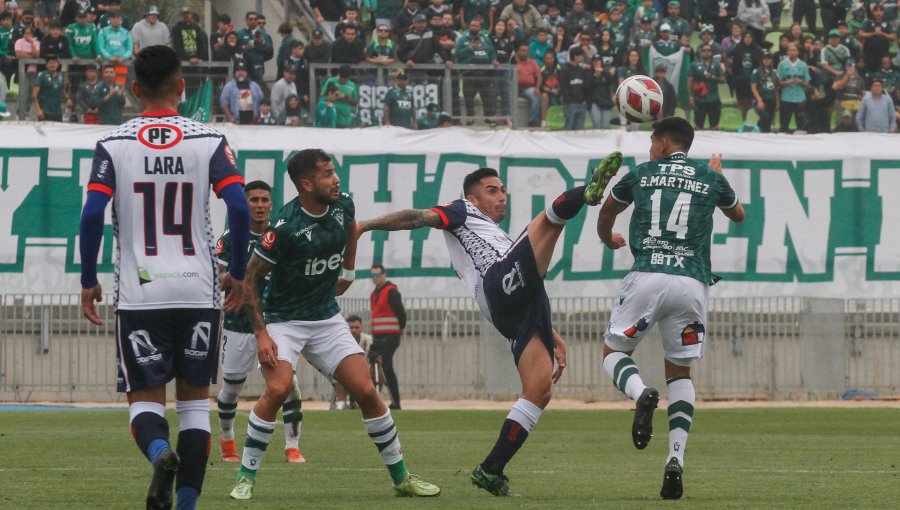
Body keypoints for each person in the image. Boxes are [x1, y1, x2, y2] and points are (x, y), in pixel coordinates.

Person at [358, 150, 625, 497]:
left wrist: (552, 332)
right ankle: (587, 190)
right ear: (473, 197)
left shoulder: (496, 233)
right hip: (496, 282)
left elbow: (525, 279)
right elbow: (415, 217)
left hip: (519, 307)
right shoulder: (461, 210)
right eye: (492, 190)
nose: (501, 197)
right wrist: (365, 225)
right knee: (545, 223)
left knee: (539, 390)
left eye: (502, 191)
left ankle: (490, 469)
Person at [79, 44, 251, 510]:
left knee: (144, 401)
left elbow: (93, 212)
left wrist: (89, 278)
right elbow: (238, 205)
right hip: (198, 289)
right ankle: (187, 505)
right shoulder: (207, 140)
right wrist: (236, 273)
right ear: (182, 87)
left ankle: (160, 454)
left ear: (134, 90)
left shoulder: (114, 144)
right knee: (196, 406)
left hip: (141, 293)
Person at [228, 149, 440, 500]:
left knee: (368, 392)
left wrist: (348, 271)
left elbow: (351, 231)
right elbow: (250, 278)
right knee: (278, 390)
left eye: (334, 171)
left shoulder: (344, 205)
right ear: (307, 184)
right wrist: (262, 333)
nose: (336, 178)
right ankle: (246, 475)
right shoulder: (284, 228)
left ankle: (401, 477)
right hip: (284, 321)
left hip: (325, 318)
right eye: (327, 174)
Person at [596, 116, 745, 501]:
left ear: (663, 142)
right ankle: (674, 458)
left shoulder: (642, 173)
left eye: (651, 141)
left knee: (614, 352)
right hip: (692, 283)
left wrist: (608, 239)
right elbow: (738, 214)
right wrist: (716, 177)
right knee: (680, 370)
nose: (649, 148)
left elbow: (607, 212)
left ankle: (641, 392)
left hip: (647, 275)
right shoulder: (710, 177)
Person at [215, 180, 306, 465]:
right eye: (253, 200)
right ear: (244, 204)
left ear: (271, 203)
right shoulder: (230, 239)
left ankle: (292, 446)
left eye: (265, 200)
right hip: (238, 323)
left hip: (275, 322)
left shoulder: (281, 234)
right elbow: (215, 280)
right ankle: (227, 438)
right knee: (232, 387)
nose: (260, 205)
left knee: (289, 384)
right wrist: (233, 278)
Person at [368, 264, 407, 410]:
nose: (375, 278)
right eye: (373, 275)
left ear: (384, 275)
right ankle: (381, 399)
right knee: (377, 366)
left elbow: (401, 314)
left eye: (378, 275)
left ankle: (395, 401)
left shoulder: (391, 292)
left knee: (386, 366)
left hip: (391, 336)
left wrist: (400, 329)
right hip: (378, 336)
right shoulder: (374, 294)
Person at [334, 315, 374, 410]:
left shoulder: (368, 339)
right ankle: (341, 402)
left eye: (356, 327)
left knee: (376, 372)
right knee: (337, 371)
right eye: (351, 328)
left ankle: (368, 400)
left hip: (364, 369)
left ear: (361, 327)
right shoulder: (341, 340)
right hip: (346, 369)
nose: (354, 330)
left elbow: (371, 355)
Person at [689, 43, 726, 129]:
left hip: (714, 98)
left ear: (712, 52)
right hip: (700, 99)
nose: (706, 52)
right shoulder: (694, 64)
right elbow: (690, 82)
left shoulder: (716, 64)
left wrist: (712, 77)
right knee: (698, 126)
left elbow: (723, 80)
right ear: (700, 52)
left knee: (714, 126)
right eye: (704, 50)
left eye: (709, 50)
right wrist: (691, 97)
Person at [559, 46, 589, 130]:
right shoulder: (565, 69)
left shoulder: (581, 69)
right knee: (569, 127)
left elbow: (584, 86)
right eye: (581, 55)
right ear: (575, 56)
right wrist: (568, 101)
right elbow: (563, 86)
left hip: (581, 103)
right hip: (570, 104)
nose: (583, 57)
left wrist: (584, 99)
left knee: (580, 129)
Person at [751, 51, 780, 132]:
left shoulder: (774, 72)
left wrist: (777, 102)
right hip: (761, 99)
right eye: (765, 58)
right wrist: (759, 100)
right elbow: (753, 88)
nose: (767, 60)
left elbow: (776, 88)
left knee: (769, 121)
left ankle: (765, 137)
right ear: (762, 60)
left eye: (768, 58)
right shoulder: (757, 71)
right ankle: (756, 128)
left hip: (772, 100)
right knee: (765, 117)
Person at [515, 42, 542, 127]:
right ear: (518, 51)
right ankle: (508, 120)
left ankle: (532, 121)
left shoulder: (533, 63)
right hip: (515, 88)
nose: (525, 53)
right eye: (523, 51)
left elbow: (539, 76)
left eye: (527, 51)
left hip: (528, 88)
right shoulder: (513, 62)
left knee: (536, 96)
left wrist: (537, 88)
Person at [32, 54, 65, 121]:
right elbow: (34, 95)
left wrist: (68, 99)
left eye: (54, 62)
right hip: (45, 111)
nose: (52, 65)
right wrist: (38, 110)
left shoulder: (61, 77)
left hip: (58, 112)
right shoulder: (42, 75)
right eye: (50, 63)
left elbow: (62, 91)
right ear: (46, 65)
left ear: (58, 64)